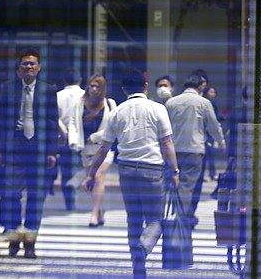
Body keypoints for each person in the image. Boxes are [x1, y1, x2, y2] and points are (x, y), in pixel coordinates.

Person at [83, 68, 180, 279]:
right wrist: (174, 170)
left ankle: (138, 268)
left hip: (126, 170)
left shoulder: (117, 111)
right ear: (146, 86)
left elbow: (103, 147)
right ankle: (144, 247)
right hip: (152, 170)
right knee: (155, 219)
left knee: (133, 220)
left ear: (123, 88)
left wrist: (91, 174)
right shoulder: (157, 108)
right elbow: (166, 142)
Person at [0, 48, 59, 258]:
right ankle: (13, 240)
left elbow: (51, 122)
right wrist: (1, 149)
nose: (29, 67)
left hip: (38, 148)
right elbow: (1, 121)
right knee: (12, 195)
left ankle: (30, 243)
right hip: (15, 147)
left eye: (32, 63)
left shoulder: (48, 90)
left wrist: (52, 152)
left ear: (39, 68)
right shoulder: (8, 88)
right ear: (19, 68)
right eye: (25, 63)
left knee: (35, 197)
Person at [164, 73, 225, 220]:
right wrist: (221, 142)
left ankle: (174, 213)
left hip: (174, 149)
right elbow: (213, 126)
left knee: (174, 182)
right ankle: (181, 217)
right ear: (199, 87)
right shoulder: (204, 103)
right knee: (187, 185)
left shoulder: (171, 103)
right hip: (194, 149)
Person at [68, 74, 117, 227]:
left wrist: (96, 136)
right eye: (92, 85)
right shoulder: (79, 103)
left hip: (104, 147)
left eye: (98, 86)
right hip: (86, 149)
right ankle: (100, 210)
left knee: (99, 175)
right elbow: (73, 123)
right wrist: (73, 141)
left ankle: (94, 213)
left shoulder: (109, 103)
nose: (94, 89)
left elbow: (114, 125)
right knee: (92, 180)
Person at [56, 68, 84, 211]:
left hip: (63, 139)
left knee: (66, 171)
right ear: (80, 81)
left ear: (64, 81)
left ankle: (69, 203)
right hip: (82, 138)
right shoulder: (86, 95)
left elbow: (55, 117)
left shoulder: (57, 96)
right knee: (83, 167)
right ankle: (75, 192)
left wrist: (64, 131)